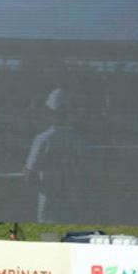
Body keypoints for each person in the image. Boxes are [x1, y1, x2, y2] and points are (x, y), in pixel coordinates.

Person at [22, 87, 86, 224]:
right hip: (74, 205)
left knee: (49, 239)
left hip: (49, 208)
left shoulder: (43, 139)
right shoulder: (80, 140)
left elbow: (29, 175)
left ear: (50, 113)